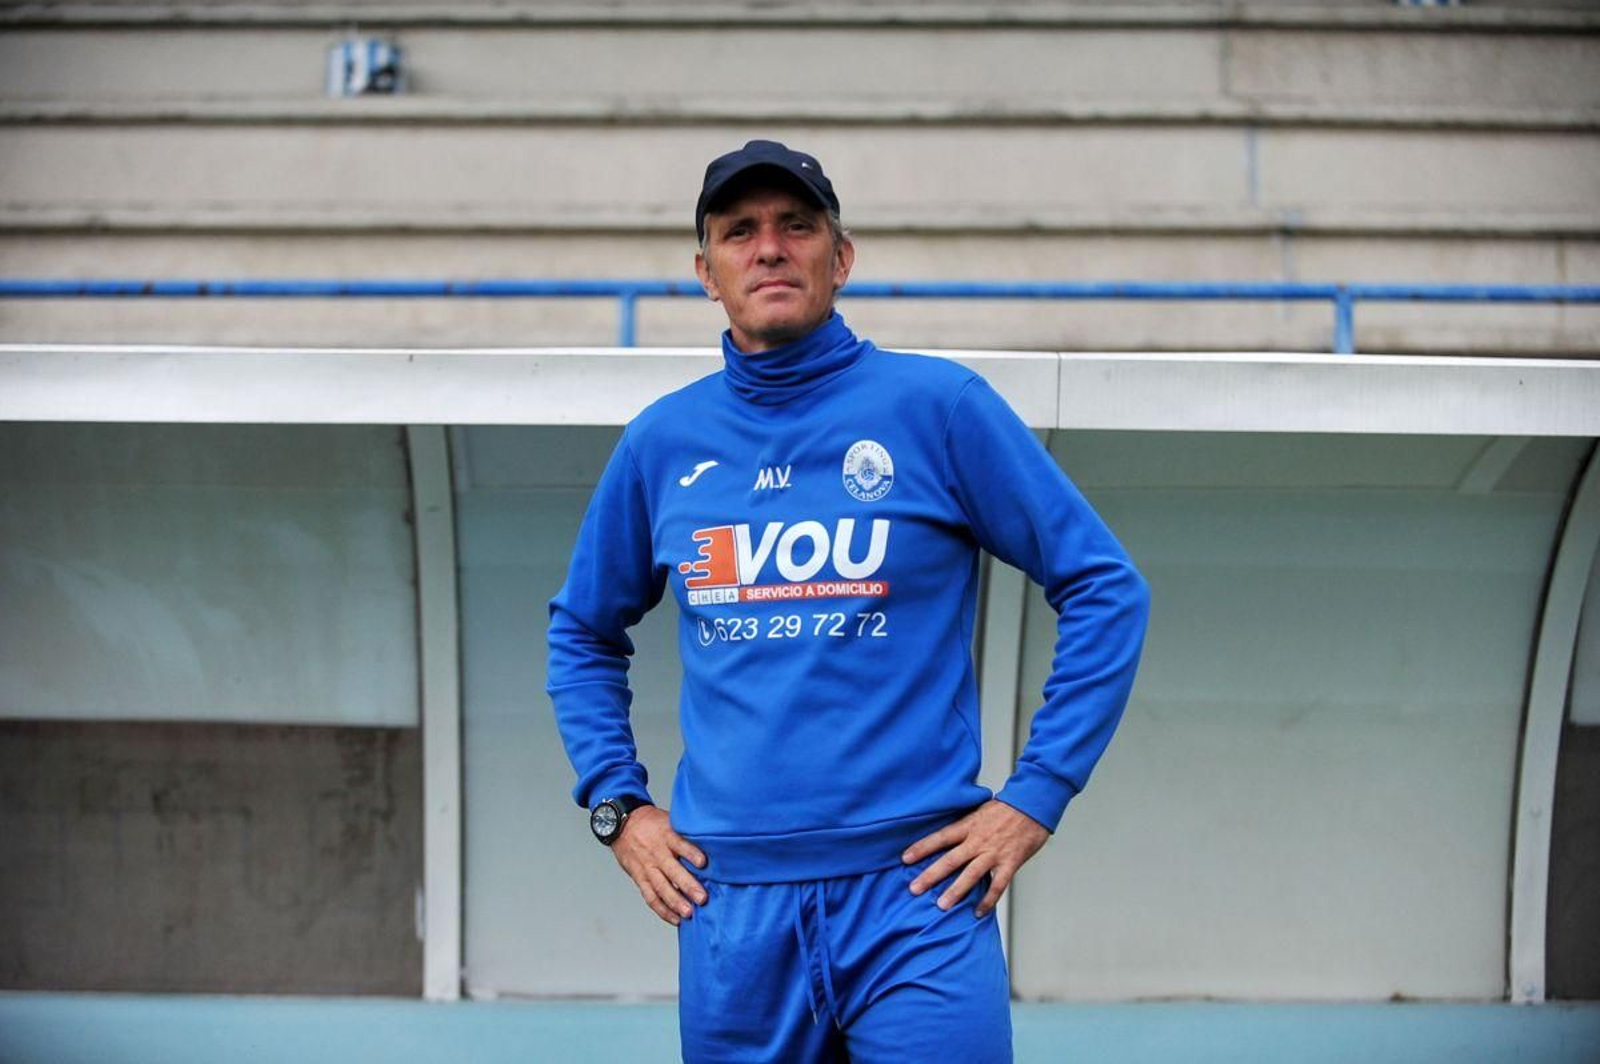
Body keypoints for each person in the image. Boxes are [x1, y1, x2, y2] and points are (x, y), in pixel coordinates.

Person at [547, 139, 1151, 1063]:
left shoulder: (939, 407)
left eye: (798, 226)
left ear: (842, 255)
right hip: (732, 908)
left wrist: (1035, 798)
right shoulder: (661, 443)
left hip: (918, 897)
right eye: (739, 232)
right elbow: (582, 632)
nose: (770, 248)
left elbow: (1105, 587)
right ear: (705, 272)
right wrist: (618, 809)